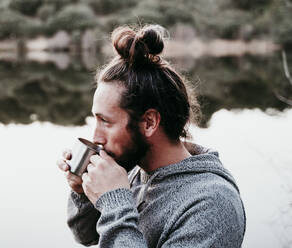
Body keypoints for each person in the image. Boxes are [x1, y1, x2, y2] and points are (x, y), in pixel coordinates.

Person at [57, 25, 246, 248]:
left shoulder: (211, 206)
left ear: (149, 122)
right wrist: (83, 192)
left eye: (105, 121)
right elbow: (87, 235)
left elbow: (114, 219)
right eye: (95, 120)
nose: (96, 137)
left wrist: (115, 201)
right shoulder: (134, 169)